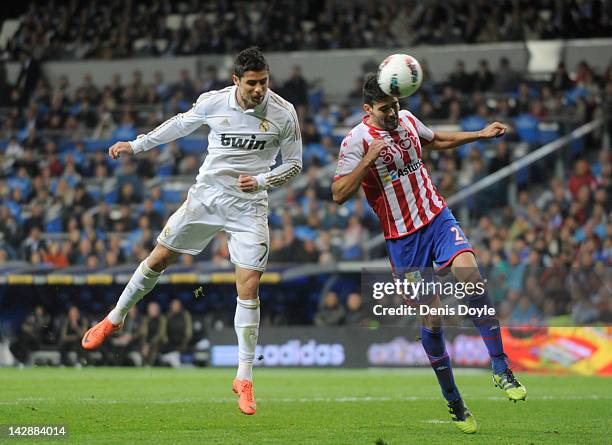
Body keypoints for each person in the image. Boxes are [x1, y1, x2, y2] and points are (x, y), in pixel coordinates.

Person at [81, 47, 302, 415]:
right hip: (207, 198)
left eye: (264, 82)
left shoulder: (284, 113)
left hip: (249, 207)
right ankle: (114, 318)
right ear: (237, 81)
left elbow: (294, 164)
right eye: (252, 83)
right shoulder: (214, 103)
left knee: (248, 286)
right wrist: (137, 145)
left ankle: (244, 377)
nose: (259, 89)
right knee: (159, 257)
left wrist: (263, 179)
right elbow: (179, 125)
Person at [332, 74, 527, 434]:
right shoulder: (355, 142)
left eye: (395, 105)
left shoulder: (406, 121)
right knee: (433, 317)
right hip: (403, 240)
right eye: (384, 108)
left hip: (437, 217)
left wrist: (479, 135)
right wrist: (367, 161)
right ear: (367, 109)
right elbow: (339, 193)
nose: (393, 113)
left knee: (470, 274)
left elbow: (436, 140)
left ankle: (501, 368)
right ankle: (455, 402)